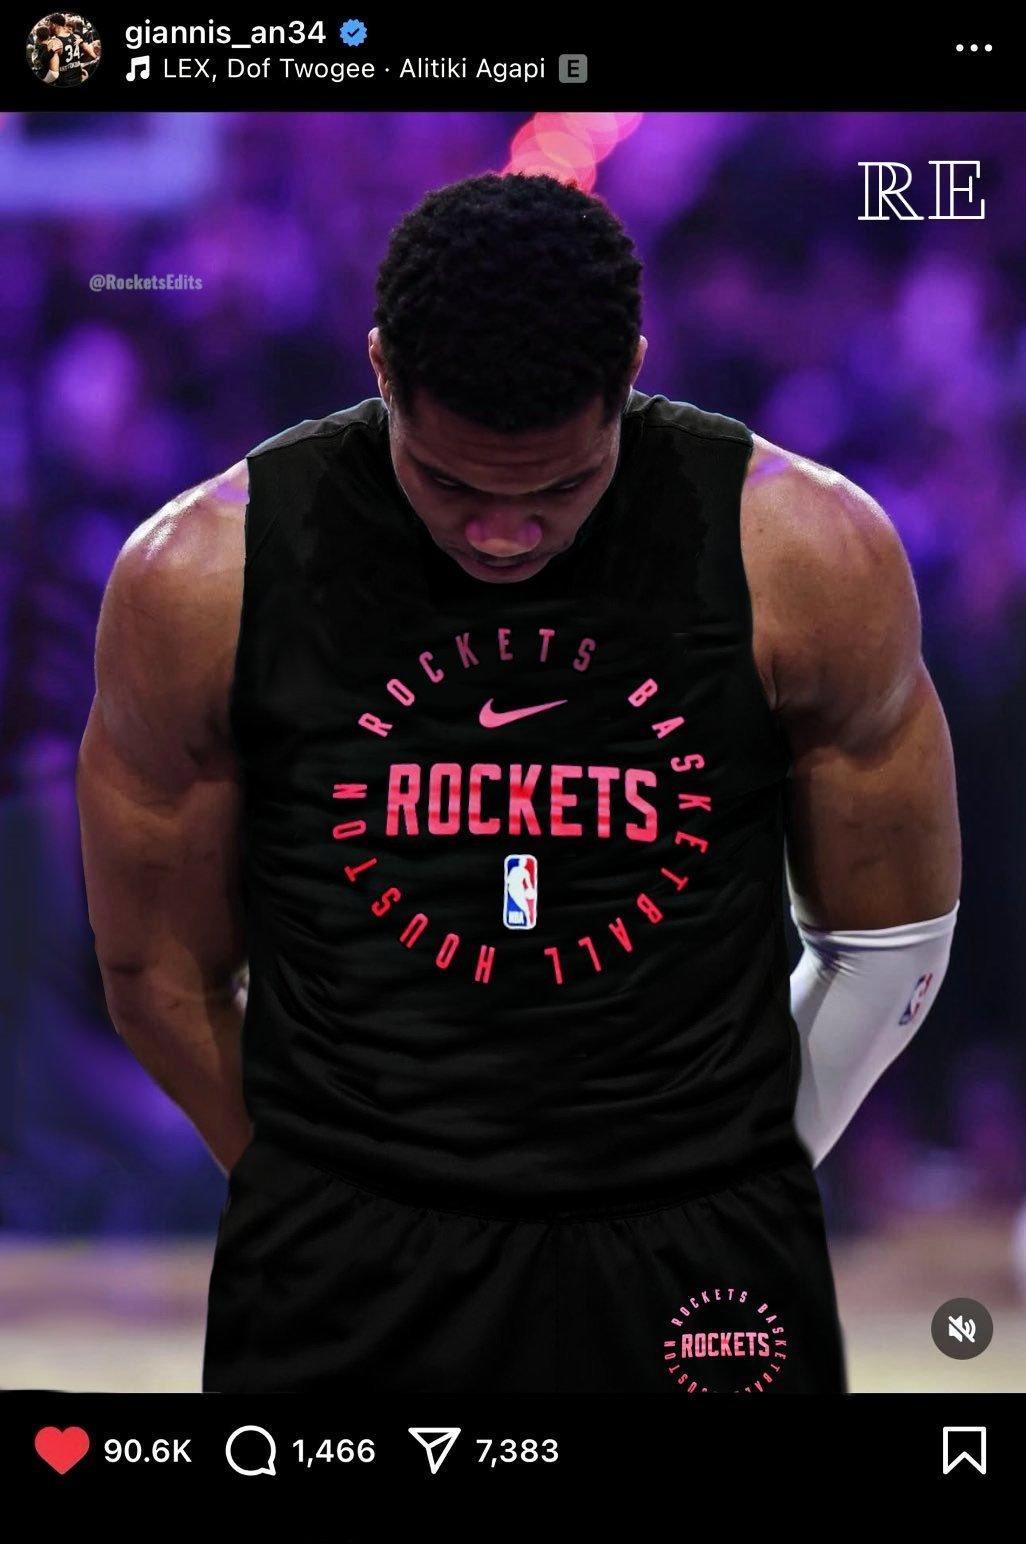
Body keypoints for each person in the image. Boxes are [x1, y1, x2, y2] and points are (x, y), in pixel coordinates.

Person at [76, 173, 961, 1394]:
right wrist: (321, 1180)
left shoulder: (807, 554)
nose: (504, 532)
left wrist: (736, 1162)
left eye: (558, 486)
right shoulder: (200, 576)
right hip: (345, 1252)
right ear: (381, 370)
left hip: (696, 1250)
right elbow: (157, 970)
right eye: (451, 483)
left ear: (630, 375)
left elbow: (891, 944)